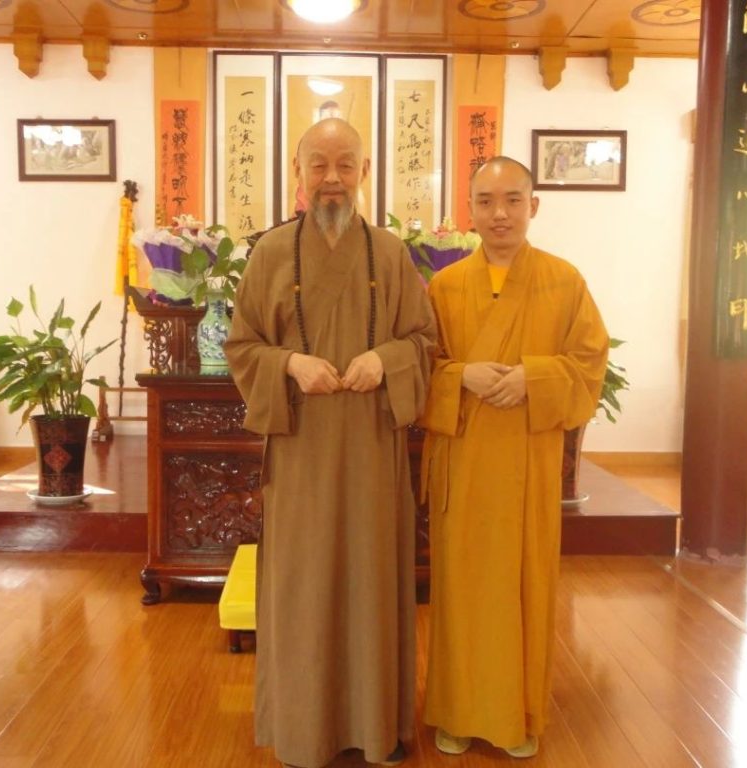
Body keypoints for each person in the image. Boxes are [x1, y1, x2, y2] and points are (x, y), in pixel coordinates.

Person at [225, 118, 436, 768]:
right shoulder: (270, 254)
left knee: (372, 582)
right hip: (302, 451)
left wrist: (386, 360)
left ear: (365, 172)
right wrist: (289, 364)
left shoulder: (391, 255)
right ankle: (303, 732)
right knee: (303, 587)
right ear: (298, 171)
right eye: (318, 164)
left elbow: (425, 343)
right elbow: (242, 345)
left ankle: (377, 729)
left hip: (372, 446)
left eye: (346, 164)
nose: (332, 178)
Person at [420, 156, 608, 758]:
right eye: (485, 201)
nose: (499, 213)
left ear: (534, 205)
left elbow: (589, 364)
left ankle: (518, 715)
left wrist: (535, 377)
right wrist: (460, 376)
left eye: (512, 200)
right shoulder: (445, 287)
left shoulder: (564, 281)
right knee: (461, 591)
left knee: (524, 588)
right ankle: (457, 712)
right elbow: (420, 368)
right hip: (464, 463)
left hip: (528, 463)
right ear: (468, 210)